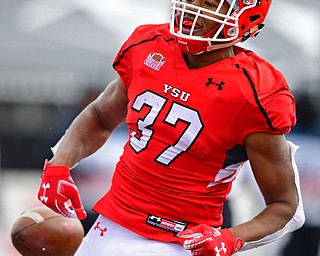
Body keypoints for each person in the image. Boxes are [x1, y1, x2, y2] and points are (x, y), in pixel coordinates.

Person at [37, 0, 305, 255]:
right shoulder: (149, 44)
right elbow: (100, 116)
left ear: (245, 19)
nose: (192, 9)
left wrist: (230, 238)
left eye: (209, 4)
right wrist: (60, 164)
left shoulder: (256, 91)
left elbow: (285, 206)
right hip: (108, 226)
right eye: (191, 0)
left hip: (177, 243)